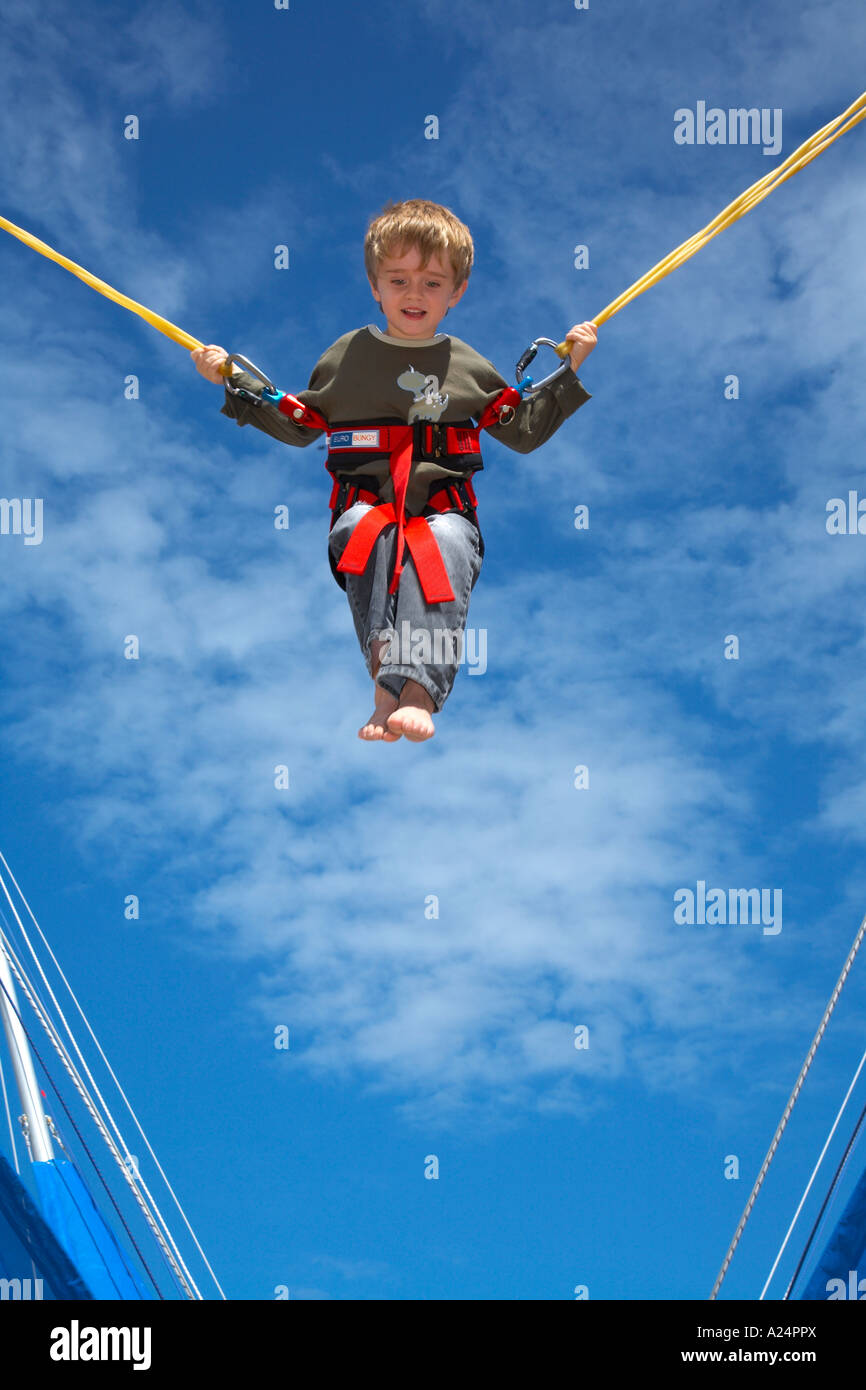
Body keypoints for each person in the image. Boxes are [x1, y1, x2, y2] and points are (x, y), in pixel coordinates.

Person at [192, 199, 597, 743]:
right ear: (375, 286)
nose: (414, 294)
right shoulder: (347, 355)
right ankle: (387, 675)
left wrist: (569, 370)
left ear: (457, 293)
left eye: (433, 283)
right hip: (366, 506)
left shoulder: (468, 366)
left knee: (447, 541)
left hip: (441, 509)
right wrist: (231, 380)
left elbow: (518, 429)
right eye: (399, 279)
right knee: (363, 531)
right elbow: (300, 421)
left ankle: (419, 691)